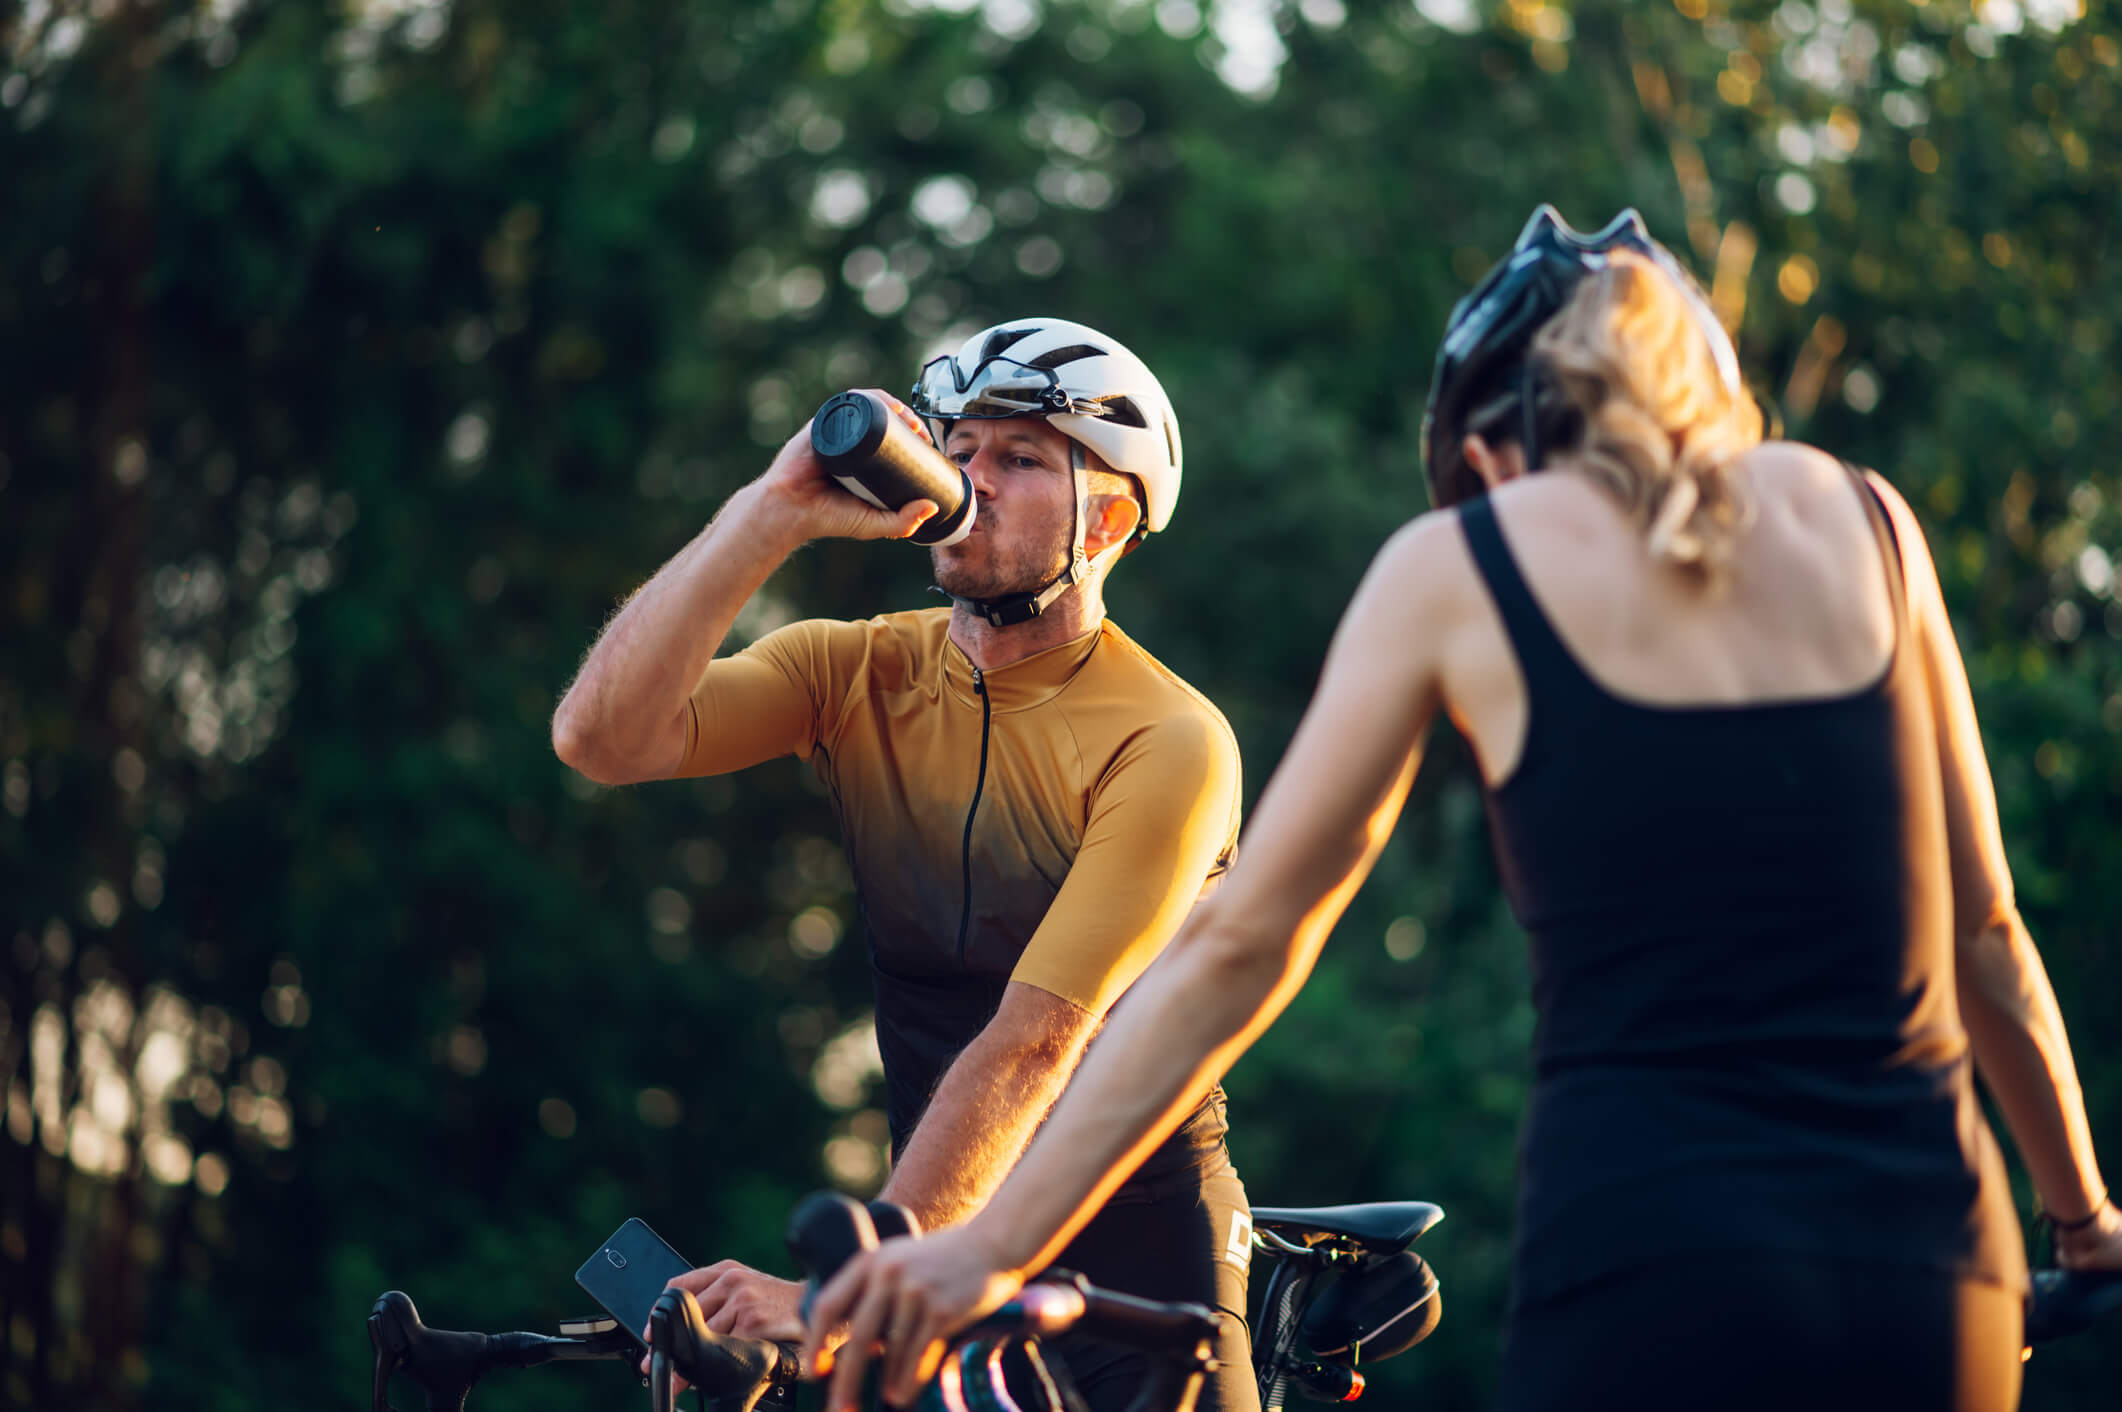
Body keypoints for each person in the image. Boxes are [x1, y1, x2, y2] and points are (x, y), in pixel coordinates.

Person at [802, 210, 2122, 1412]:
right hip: (1928, 1258)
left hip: (1645, 1252)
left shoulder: (1456, 565)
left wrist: (991, 1245)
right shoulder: (1868, 521)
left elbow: (1243, 945)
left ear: (1487, 449)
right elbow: (1984, 932)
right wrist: (2082, 1221)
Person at [551, 318, 1259, 1411]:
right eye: (958, 449)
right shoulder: (855, 670)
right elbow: (602, 738)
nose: (975, 478)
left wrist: (846, 1292)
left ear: (1109, 518)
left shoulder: (1169, 737)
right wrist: (770, 512)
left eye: (1021, 457)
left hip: (1136, 1270)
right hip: (929, 1237)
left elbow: (1035, 1044)